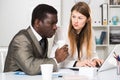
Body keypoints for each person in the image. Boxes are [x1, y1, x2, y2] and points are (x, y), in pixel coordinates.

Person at [4, 4, 68, 75]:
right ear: (37, 23)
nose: (55, 27)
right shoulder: (21, 39)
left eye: (55, 23)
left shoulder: (44, 39)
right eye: (51, 23)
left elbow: (42, 62)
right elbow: (30, 67)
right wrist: (56, 59)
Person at [50, 2, 103, 68]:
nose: (75, 21)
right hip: (66, 73)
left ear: (87, 19)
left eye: (80, 18)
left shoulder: (91, 32)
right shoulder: (61, 31)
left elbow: (92, 53)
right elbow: (55, 59)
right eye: (73, 16)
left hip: (84, 73)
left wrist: (95, 59)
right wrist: (76, 63)